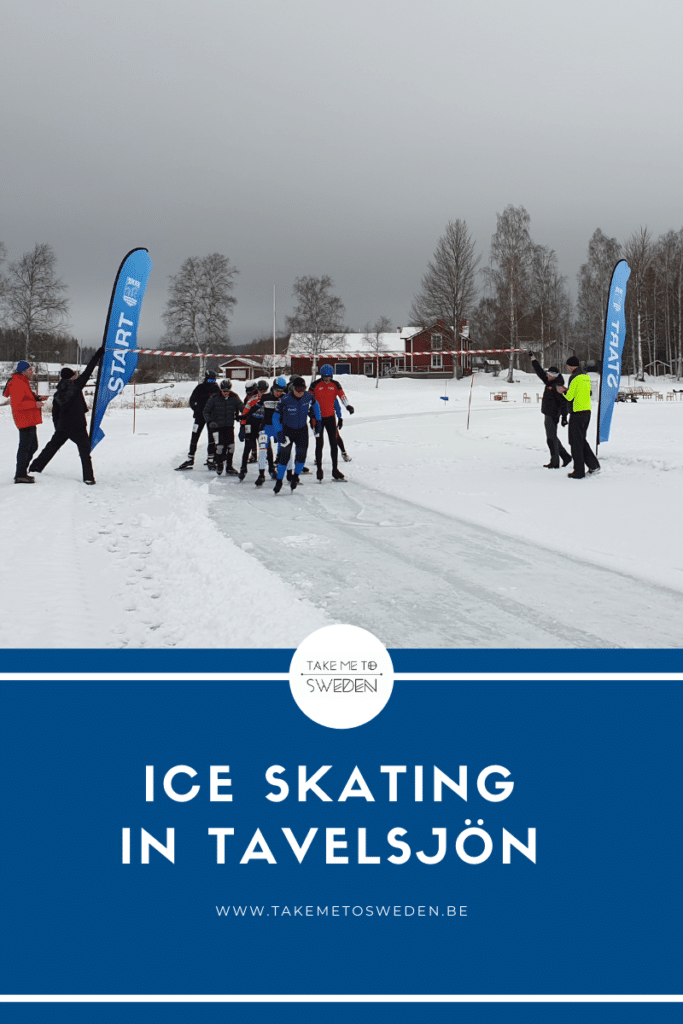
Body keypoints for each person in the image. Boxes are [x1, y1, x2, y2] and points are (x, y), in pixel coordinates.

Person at [29, 346, 104, 484]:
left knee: (51, 448)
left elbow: (55, 413)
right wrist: (97, 356)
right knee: (84, 451)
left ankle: (35, 467)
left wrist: (58, 426)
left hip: (63, 426)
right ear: (71, 377)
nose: (76, 376)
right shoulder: (76, 386)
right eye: (74, 375)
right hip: (77, 426)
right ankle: (88, 478)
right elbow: (88, 371)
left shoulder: (58, 393)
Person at [271, 377, 321, 493]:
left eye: (303, 390)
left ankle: (295, 476)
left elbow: (316, 406)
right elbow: (275, 417)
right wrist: (279, 432)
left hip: (302, 431)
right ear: (293, 389)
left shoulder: (308, 396)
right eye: (298, 390)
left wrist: (318, 421)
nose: (301, 393)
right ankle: (279, 480)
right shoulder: (285, 399)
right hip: (287, 430)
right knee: (284, 457)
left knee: (301, 456)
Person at [3, 360, 48, 483]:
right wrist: (35, 404)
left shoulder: (23, 381)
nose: (32, 372)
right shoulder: (17, 383)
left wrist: (38, 397)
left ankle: (22, 472)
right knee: (25, 448)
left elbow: (27, 396)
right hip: (24, 419)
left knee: (33, 446)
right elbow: (17, 404)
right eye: (30, 370)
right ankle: (20, 474)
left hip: (29, 418)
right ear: (23, 371)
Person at [308, 364, 355, 481]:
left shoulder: (335, 384)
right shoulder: (315, 385)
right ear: (321, 376)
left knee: (333, 443)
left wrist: (348, 406)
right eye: (325, 377)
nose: (327, 379)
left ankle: (335, 470)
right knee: (320, 444)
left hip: (330, 418)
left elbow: (342, 396)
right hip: (317, 419)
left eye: (329, 377)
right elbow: (307, 399)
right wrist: (310, 413)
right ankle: (319, 469)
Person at [557, 356, 600, 479]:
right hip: (587, 411)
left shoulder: (574, 377)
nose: (568, 369)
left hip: (577, 412)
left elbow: (570, 396)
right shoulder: (586, 376)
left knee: (575, 442)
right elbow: (589, 392)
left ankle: (578, 471)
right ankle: (594, 465)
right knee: (581, 440)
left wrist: (562, 391)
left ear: (571, 367)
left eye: (567, 366)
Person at [528, 352, 571, 469]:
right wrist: (533, 359)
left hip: (553, 415)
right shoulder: (550, 381)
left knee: (551, 439)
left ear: (554, 376)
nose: (546, 376)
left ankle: (555, 462)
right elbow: (540, 372)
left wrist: (564, 418)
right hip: (548, 413)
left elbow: (564, 404)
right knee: (553, 437)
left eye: (548, 375)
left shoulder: (558, 386)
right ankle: (566, 456)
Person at [175, 369, 220, 470]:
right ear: (206, 379)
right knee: (195, 436)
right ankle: (190, 458)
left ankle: (211, 459)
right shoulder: (200, 387)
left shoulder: (217, 389)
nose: (212, 383)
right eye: (210, 381)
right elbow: (192, 401)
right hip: (199, 417)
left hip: (212, 418)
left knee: (212, 438)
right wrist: (197, 410)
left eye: (213, 381)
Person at [202, 379, 244, 475]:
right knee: (220, 447)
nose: (226, 393)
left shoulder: (234, 397)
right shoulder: (214, 398)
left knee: (231, 446)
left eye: (227, 391)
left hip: (229, 425)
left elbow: (242, 408)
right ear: (221, 390)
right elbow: (206, 411)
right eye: (224, 391)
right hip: (217, 426)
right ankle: (219, 464)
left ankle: (229, 466)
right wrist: (210, 421)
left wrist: (243, 416)